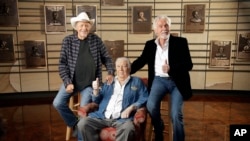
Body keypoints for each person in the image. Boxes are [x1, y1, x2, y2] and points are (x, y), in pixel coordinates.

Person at [52, 12, 115, 140]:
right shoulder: (68, 41)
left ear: (89, 27)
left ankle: (81, 138)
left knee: (84, 111)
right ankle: (75, 124)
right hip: (71, 82)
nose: (84, 28)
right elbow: (62, 64)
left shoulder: (95, 40)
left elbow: (107, 58)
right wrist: (67, 82)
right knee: (57, 103)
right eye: (81, 25)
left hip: (89, 84)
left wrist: (110, 72)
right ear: (76, 27)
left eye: (86, 25)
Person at [130, 15, 193, 141]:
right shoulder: (150, 45)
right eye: (161, 26)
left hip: (177, 81)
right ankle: (159, 128)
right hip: (159, 80)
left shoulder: (180, 42)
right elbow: (141, 61)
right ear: (155, 30)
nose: (164, 28)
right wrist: (124, 71)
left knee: (176, 114)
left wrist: (171, 68)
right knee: (151, 106)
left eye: (166, 25)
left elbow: (189, 64)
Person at [77, 57, 148, 141]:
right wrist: (96, 91)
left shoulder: (136, 82)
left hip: (122, 119)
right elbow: (97, 101)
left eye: (124, 66)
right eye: (118, 66)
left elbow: (145, 97)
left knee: (128, 128)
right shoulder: (109, 82)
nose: (120, 69)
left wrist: (132, 107)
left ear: (129, 68)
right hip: (102, 116)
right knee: (83, 123)